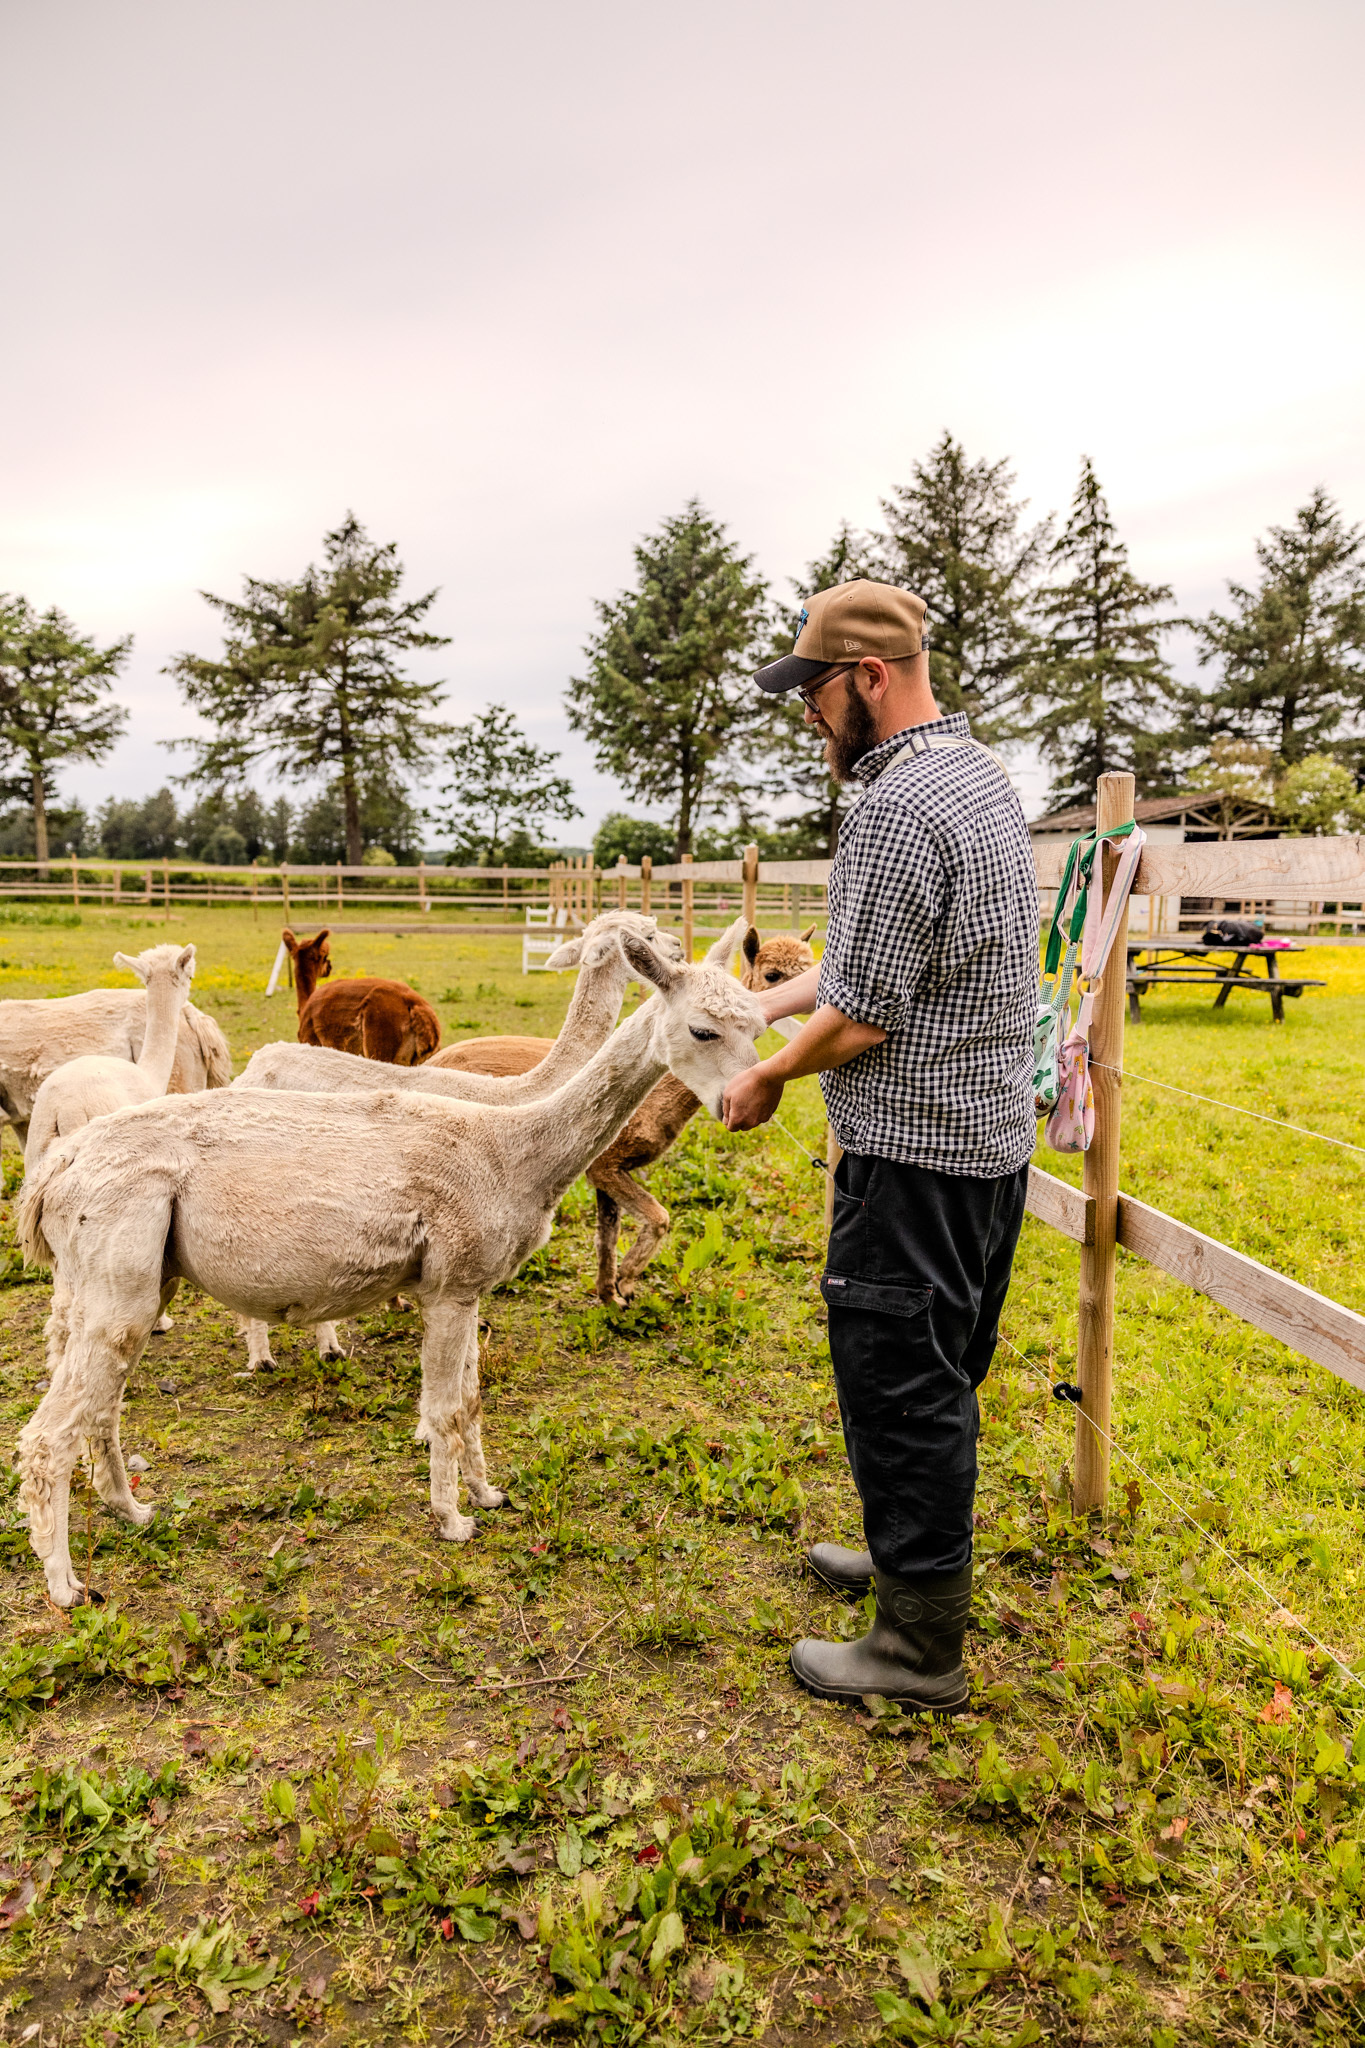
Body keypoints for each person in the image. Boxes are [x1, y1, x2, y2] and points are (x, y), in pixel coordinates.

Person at [723, 579, 1037, 1712]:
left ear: (868, 677)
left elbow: (864, 1013)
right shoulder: (979, 779)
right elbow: (868, 957)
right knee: (942, 1365)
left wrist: (764, 1074)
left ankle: (916, 1647)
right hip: (986, 1146)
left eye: (815, 692)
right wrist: (755, 1009)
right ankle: (910, 1563)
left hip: (914, 1157)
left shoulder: (901, 807)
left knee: (900, 1378)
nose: (809, 714)